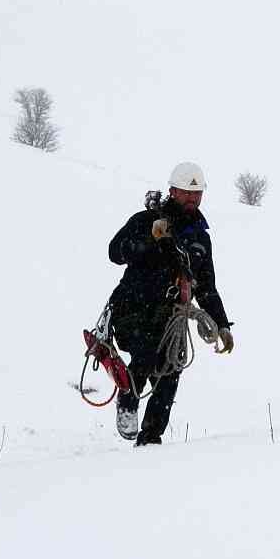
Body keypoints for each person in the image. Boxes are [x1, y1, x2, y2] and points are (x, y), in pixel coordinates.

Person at [107, 162, 235, 445]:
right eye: (187, 192)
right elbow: (115, 252)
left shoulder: (200, 239)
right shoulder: (145, 220)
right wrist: (150, 239)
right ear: (172, 191)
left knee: (170, 372)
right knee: (147, 352)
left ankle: (150, 439)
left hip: (168, 315)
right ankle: (128, 403)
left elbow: (207, 287)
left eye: (197, 193)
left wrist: (222, 324)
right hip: (132, 306)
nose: (192, 198)